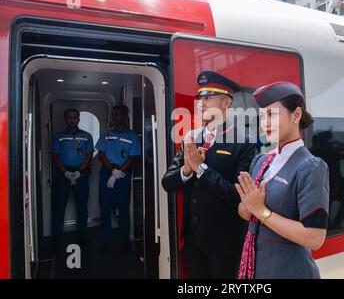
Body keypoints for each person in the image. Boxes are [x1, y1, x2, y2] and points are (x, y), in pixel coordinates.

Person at [161, 71, 256, 279]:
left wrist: (200, 169)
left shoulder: (244, 141)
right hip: (193, 241)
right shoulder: (192, 137)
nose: (201, 103)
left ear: (226, 103)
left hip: (225, 243)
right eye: (200, 98)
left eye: (208, 98)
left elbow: (238, 195)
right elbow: (167, 182)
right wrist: (186, 170)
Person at [236, 82, 329, 279]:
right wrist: (249, 206)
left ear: (296, 115)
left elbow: (314, 238)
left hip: (290, 270)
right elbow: (245, 212)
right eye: (262, 117)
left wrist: (261, 211)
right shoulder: (260, 161)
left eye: (272, 115)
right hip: (257, 269)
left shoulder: (310, 166)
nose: (265, 123)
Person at [96, 105, 141, 252]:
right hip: (107, 172)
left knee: (123, 207)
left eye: (117, 114)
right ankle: (106, 239)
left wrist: (118, 172)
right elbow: (101, 155)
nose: (114, 117)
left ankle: (124, 240)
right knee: (105, 207)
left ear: (124, 116)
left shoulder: (132, 136)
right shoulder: (106, 133)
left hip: (123, 174)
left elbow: (132, 157)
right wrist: (111, 170)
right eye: (113, 115)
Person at [52, 108, 93, 244]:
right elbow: (55, 156)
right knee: (59, 206)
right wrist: (66, 173)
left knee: (82, 206)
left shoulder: (87, 136)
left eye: (75, 117)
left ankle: (83, 235)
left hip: (80, 174)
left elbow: (89, 155)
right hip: (63, 174)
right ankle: (56, 236)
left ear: (79, 119)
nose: (72, 120)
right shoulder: (58, 136)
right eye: (69, 117)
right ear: (65, 119)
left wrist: (79, 172)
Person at [310, 131, 344, 230]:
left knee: (327, 204)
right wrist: (334, 141)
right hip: (335, 180)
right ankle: (335, 223)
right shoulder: (332, 148)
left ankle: (327, 225)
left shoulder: (313, 150)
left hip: (322, 180)